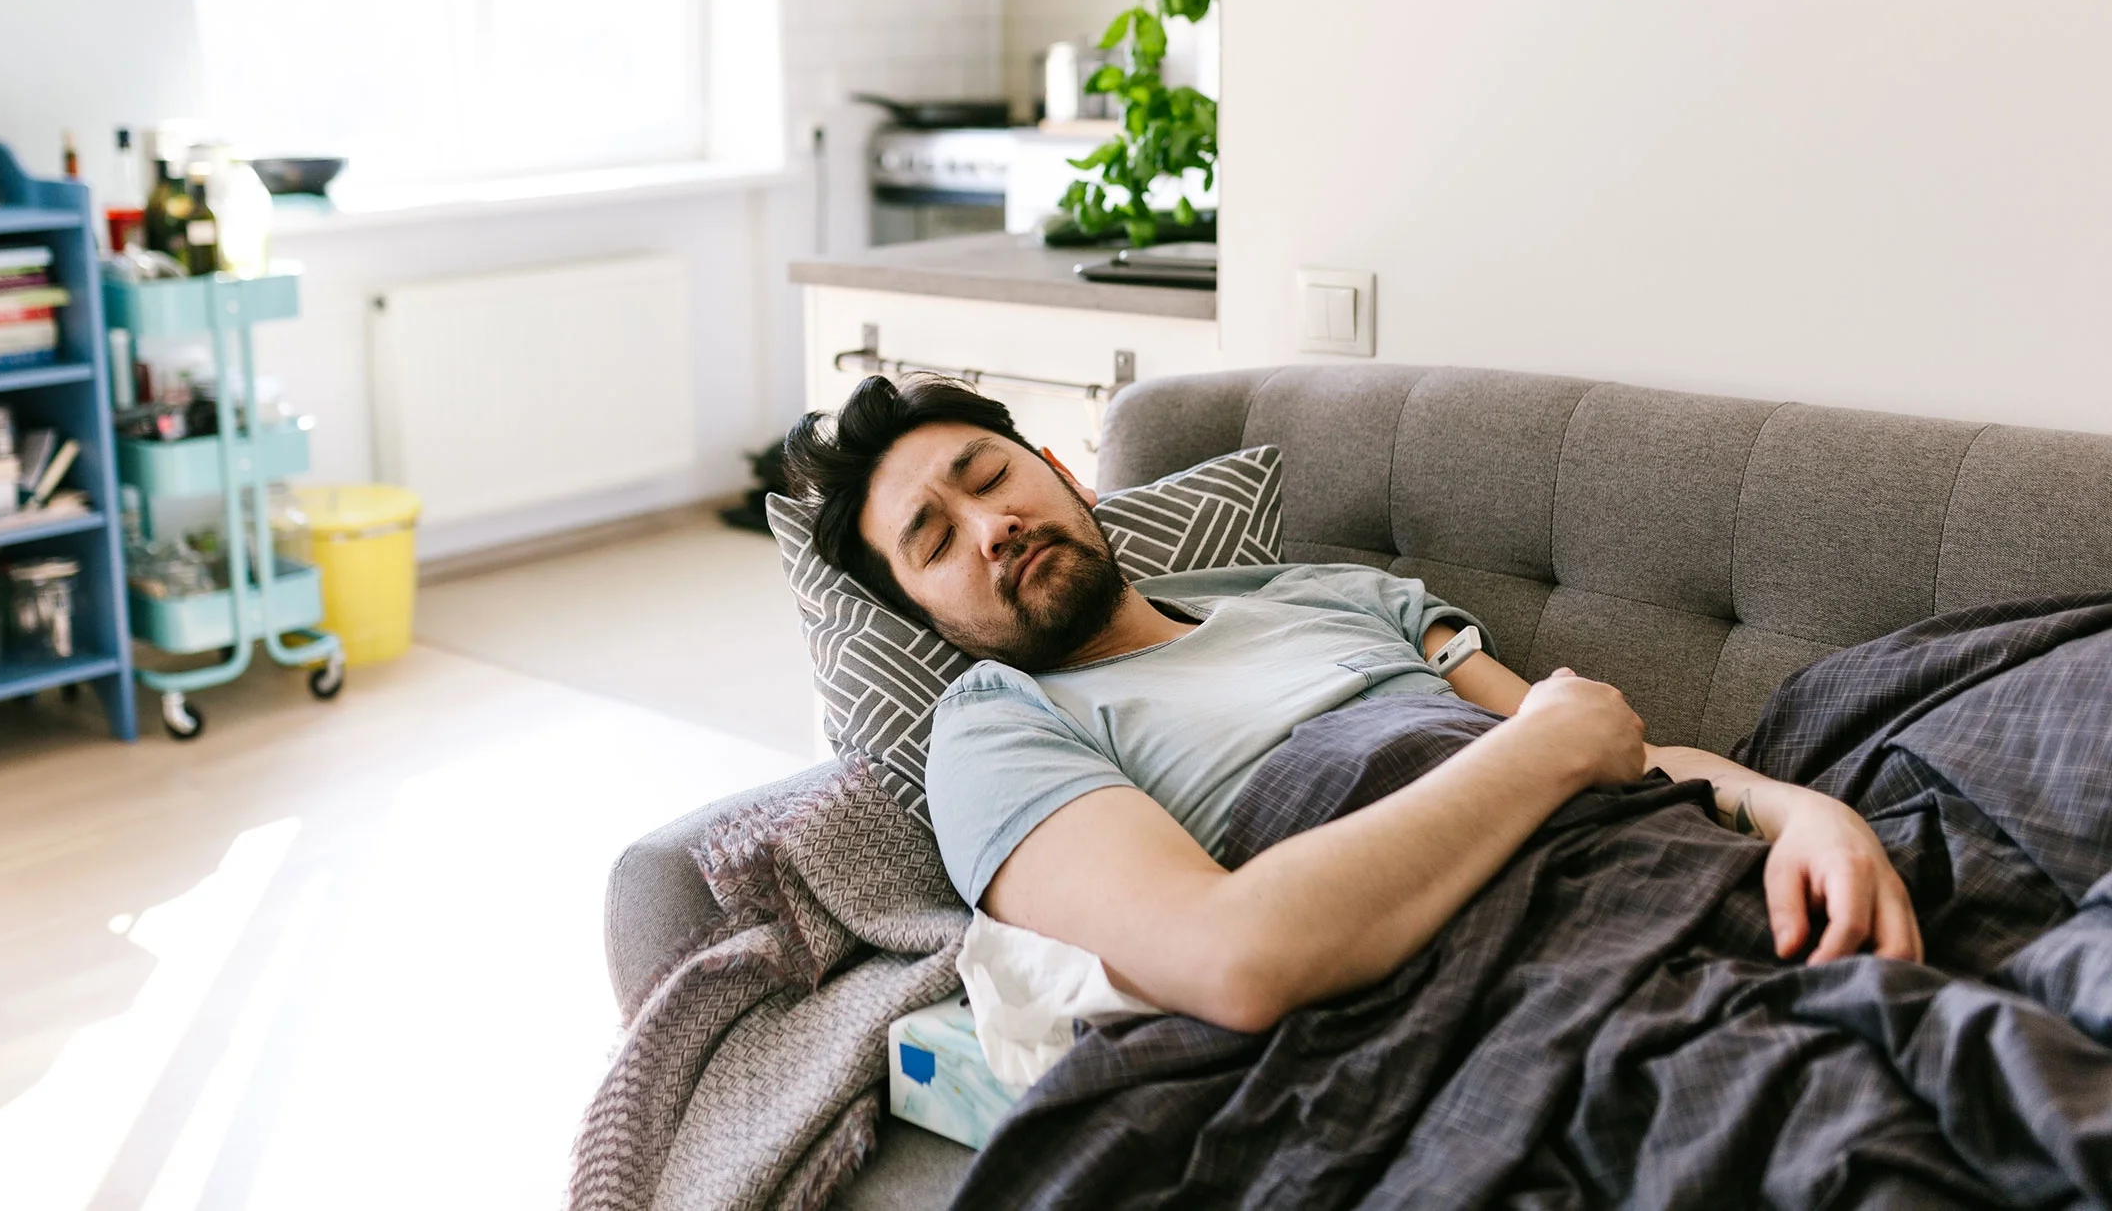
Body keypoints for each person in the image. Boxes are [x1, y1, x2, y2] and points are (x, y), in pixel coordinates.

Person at [782, 374, 1921, 1033]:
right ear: (925, 615)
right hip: (1505, 964)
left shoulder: (1323, 590)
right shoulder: (993, 727)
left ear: (1064, 472)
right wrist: (1543, 752)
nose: (991, 527)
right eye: (934, 541)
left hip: (1654, 854)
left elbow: (1612, 748)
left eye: (990, 480)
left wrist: (1805, 813)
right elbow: (1234, 957)